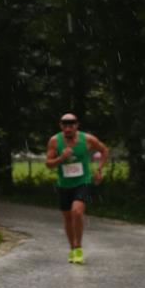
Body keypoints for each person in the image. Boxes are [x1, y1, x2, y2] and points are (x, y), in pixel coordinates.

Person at [45, 113, 110, 264]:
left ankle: (78, 247)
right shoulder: (55, 141)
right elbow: (48, 164)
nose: (68, 129)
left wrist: (99, 170)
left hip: (83, 182)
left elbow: (104, 150)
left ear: (77, 125)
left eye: (71, 125)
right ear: (61, 126)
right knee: (68, 217)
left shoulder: (87, 139)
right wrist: (61, 158)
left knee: (77, 212)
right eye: (65, 125)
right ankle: (72, 249)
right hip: (64, 184)